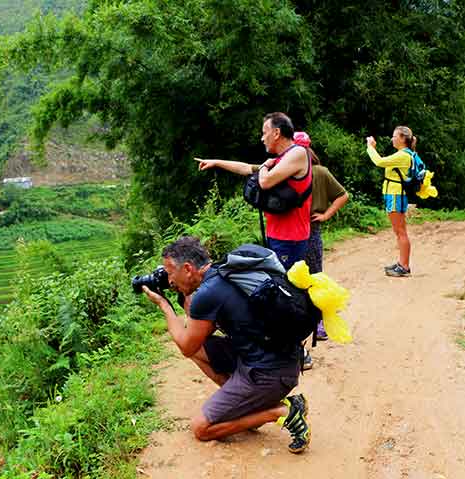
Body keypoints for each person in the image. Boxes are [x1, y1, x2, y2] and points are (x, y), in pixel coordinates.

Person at [141, 236, 311, 453]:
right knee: (199, 349)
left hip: (268, 374)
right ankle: (245, 405)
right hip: (275, 359)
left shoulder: (209, 292)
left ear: (187, 268)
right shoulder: (222, 272)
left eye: (170, 272)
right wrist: (183, 293)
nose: (169, 280)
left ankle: (280, 412)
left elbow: (186, 345)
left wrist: (163, 304)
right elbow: (197, 334)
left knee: (201, 428)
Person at [196, 112, 312, 270]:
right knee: (278, 284)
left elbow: (264, 181)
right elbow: (246, 168)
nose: (262, 138)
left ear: (277, 133)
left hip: (290, 238)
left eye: (264, 133)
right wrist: (215, 162)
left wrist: (264, 166)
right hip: (277, 235)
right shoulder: (280, 160)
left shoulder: (298, 153)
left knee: (287, 288)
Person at [294, 132, 349, 342]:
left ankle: (318, 322)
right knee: (313, 275)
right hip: (298, 230)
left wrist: (326, 214)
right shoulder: (290, 171)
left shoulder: (318, 172)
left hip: (309, 228)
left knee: (312, 275)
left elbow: (343, 194)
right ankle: (312, 322)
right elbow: (343, 195)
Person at [366, 126, 416, 277]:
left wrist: (370, 147)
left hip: (396, 195)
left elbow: (379, 162)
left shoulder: (403, 156)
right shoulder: (402, 154)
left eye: (394, 136)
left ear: (402, 138)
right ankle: (402, 263)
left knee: (400, 231)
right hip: (393, 194)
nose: (392, 139)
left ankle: (404, 266)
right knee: (398, 231)